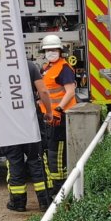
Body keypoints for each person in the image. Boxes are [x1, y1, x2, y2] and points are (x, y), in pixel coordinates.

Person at [3, 59, 54, 212]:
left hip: (8, 120)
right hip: (30, 120)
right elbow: (43, 91)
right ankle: (45, 202)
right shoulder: (30, 66)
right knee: (36, 159)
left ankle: (18, 203)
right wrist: (49, 111)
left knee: (14, 161)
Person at [38, 34, 77, 197]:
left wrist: (59, 109)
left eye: (54, 50)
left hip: (60, 118)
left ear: (60, 51)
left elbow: (70, 91)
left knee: (58, 155)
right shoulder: (46, 68)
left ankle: (61, 189)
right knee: (51, 153)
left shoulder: (64, 68)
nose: (51, 52)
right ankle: (56, 186)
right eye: (48, 50)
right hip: (49, 117)